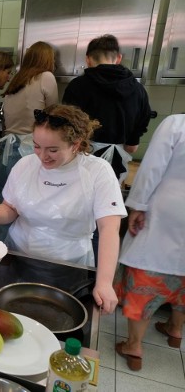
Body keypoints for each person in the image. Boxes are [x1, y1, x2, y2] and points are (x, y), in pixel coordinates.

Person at [0, 104, 127, 314]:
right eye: (37, 146)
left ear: (75, 145)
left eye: (53, 150)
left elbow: (109, 229)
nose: (42, 156)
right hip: (18, 258)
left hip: (67, 266)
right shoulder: (25, 165)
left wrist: (104, 282)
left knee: (52, 319)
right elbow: (11, 207)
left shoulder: (97, 172)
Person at [114, 114, 185, 371]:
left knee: (146, 274)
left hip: (167, 211)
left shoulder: (177, 124)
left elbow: (152, 167)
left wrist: (138, 206)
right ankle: (175, 329)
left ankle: (134, 345)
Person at [62, 34, 152, 183]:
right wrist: (130, 139)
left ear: (88, 59)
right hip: (117, 164)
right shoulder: (138, 90)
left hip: (82, 159)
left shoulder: (77, 86)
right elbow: (132, 146)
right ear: (118, 58)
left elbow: (66, 125)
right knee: (108, 202)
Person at [0, 41, 58, 201]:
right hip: (30, 148)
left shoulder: (18, 79)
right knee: (29, 200)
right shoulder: (47, 77)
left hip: (7, 147)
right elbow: (54, 113)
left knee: (5, 198)